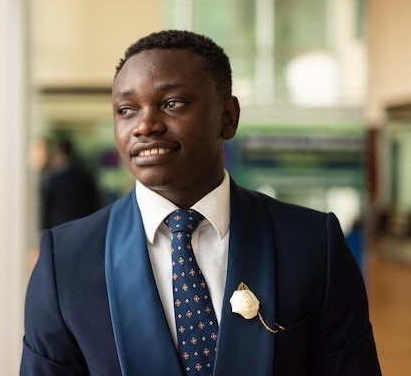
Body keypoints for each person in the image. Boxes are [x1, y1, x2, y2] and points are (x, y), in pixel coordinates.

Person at [20, 30, 381, 376]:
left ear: (228, 117)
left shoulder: (314, 244)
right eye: (127, 110)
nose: (145, 126)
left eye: (172, 103)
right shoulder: (64, 260)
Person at [40, 137, 101, 229]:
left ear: (59, 153)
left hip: (61, 227)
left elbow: (47, 211)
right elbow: (95, 202)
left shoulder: (55, 179)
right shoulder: (85, 176)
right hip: (84, 225)